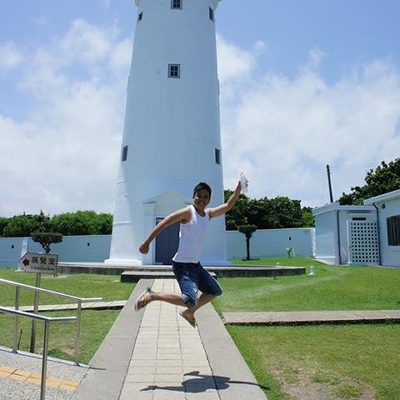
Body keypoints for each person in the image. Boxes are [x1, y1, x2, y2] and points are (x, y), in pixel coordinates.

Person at [135, 180, 245, 327]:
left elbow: (227, 206)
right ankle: (152, 296)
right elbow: (164, 222)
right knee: (189, 299)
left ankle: (189, 313)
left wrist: (238, 189)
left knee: (215, 290)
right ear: (193, 196)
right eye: (199, 195)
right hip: (182, 265)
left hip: (196, 266)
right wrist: (147, 242)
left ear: (209, 200)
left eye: (205, 197)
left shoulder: (208, 214)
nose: (201, 199)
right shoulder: (188, 212)